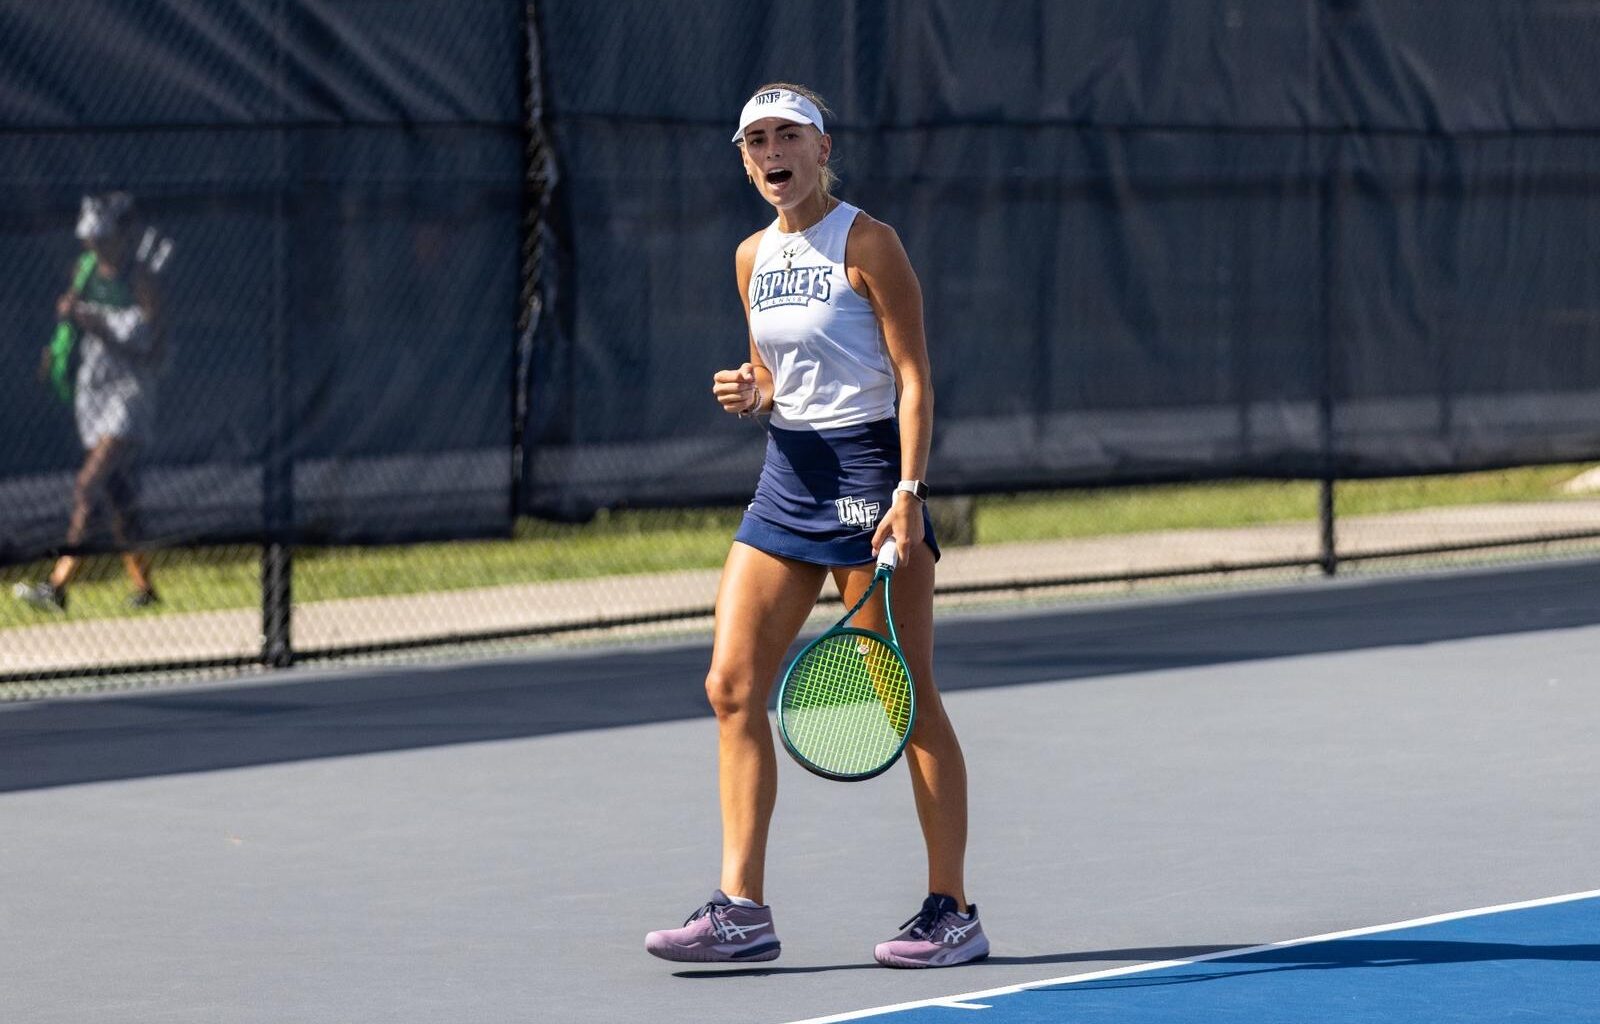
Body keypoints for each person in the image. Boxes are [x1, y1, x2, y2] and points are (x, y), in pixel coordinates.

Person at [645, 84, 987, 969]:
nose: (770, 152)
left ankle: (952, 910)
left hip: (870, 480)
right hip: (786, 479)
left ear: (821, 147)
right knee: (729, 686)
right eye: (755, 140)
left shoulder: (870, 242)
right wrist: (751, 389)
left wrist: (909, 492)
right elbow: (771, 372)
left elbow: (913, 376)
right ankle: (741, 911)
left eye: (785, 135)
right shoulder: (750, 255)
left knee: (901, 698)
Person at [14, 192, 166, 613]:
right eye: (91, 238)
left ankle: (57, 585)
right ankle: (145, 588)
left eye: (104, 238)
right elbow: (71, 321)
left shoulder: (140, 279)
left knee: (88, 484)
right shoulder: (84, 272)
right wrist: (59, 342)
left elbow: (152, 348)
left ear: (123, 235)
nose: (95, 246)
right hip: (93, 392)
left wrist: (99, 325)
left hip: (129, 396)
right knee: (118, 497)